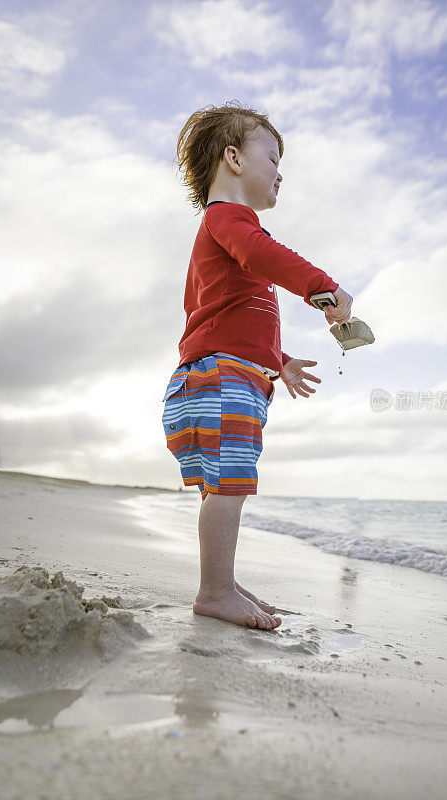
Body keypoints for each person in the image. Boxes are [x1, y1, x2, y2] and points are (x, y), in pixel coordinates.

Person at [161, 101, 353, 631]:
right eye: (272, 157)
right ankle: (215, 590)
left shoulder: (224, 237)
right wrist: (322, 286)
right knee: (231, 486)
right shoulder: (230, 222)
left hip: (216, 377)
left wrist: (280, 363)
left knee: (224, 485)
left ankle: (223, 580)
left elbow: (218, 317)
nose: (280, 172)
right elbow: (264, 256)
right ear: (234, 159)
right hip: (221, 380)